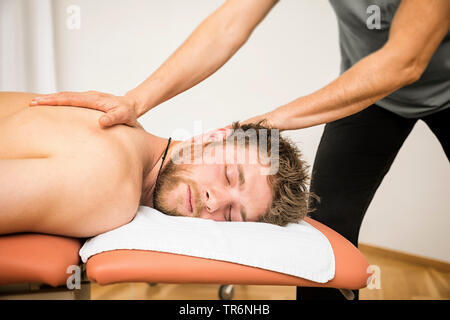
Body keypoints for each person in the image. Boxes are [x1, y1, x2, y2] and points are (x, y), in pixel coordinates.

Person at [29, 0, 450, 300]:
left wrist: (269, 122)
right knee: (329, 231)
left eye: (232, 212)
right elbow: (229, 23)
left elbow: (404, 62)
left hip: (425, 82)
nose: (214, 203)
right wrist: (136, 101)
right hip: (370, 95)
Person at [0, 91, 315, 238]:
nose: (215, 200)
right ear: (211, 137)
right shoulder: (112, 189)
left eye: (231, 215)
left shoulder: (109, 125)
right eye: (228, 174)